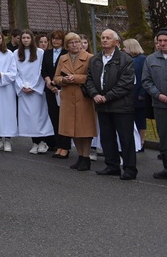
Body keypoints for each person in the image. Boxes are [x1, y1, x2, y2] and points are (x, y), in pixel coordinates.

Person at [85, 29, 138, 180]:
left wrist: (107, 97)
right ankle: (112, 165)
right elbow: (89, 80)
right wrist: (95, 94)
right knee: (107, 137)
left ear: (116, 42)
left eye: (108, 38)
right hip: (102, 105)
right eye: (102, 37)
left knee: (125, 138)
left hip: (122, 105)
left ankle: (129, 168)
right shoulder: (95, 59)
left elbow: (126, 83)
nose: (104, 40)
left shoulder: (125, 59)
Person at [142, 29, 167, 179]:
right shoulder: (150, 59)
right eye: (160, 41)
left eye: (166, 40)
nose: (162, 43)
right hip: (160, 104)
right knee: (164, 137)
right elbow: (146, 81)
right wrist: (159, 95)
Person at [54, 32, 96, 171]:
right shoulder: (63, 58)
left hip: (82, 98)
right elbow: (56, 77)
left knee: (84, 129)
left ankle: (86, 157)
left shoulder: (89, 58)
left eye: (77, 42)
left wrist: (76, 78)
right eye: (72, 42)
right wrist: (63, 80)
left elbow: (92, 77)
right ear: (66, 45)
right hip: (67, 98)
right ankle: (80, 156)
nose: (75, 44)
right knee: (72, 130)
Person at [14, 31, 54, 153]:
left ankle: (43, 141)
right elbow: (15, 71)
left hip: (36, 90)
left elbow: (41, 70)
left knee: (39, 117)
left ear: (32, 39)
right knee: (28, 118)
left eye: (28, 38)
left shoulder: (40, 52)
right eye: (23, 38)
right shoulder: (16, 53)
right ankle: (35, 142)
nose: (25, 40)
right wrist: (22, 86)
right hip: (23, 89)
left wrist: (34, 86)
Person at [41, 30, 69, 157]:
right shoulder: (47, 53)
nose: (55, 41)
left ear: (62, 41)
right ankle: (58, 145)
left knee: (64, 118)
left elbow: (66, 71)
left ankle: (65, 147)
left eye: (58, 39)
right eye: (53, 39)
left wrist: (57, 84)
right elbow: (44, 69)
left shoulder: (66, 53)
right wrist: (48, 81)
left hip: (62, 89)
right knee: (54, 117)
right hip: (50, 89)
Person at [123, 38, 149, 152]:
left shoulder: (143, 59)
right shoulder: (126, 59)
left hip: (139, 94)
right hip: (129, 95)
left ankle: (142, 141)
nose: (123, 49)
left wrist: (142, 93)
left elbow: (146, 77)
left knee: (140, 119)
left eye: (125, 46)